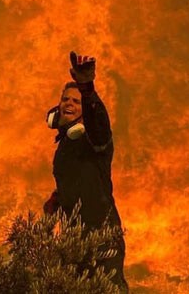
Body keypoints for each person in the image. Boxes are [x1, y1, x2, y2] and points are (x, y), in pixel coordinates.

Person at [43, 51, 128, 291]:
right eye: (66, 100)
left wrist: (87, 89)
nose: (69, 104)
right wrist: (57, 198)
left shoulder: (94, 139)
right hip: (74, 241)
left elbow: (98, 124)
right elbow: (78, 178)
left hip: (102, 239)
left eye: (76, 101)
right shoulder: (66, 144)